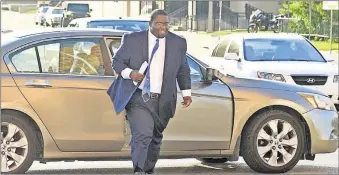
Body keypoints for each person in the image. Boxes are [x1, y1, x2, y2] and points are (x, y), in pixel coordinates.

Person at [107, 9, 192, 174]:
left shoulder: (178, 42)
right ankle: (139, 170)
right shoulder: (132, 40)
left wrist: (186, 92)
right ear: (150, 24)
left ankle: (147, 170)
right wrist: (130, 74)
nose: (163, 27)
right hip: (139, 98)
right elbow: (117, 62)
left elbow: (183, 69)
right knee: (142, 135)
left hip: (164, 99)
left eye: (166, 24)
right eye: (159, 24)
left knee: (155, 138)